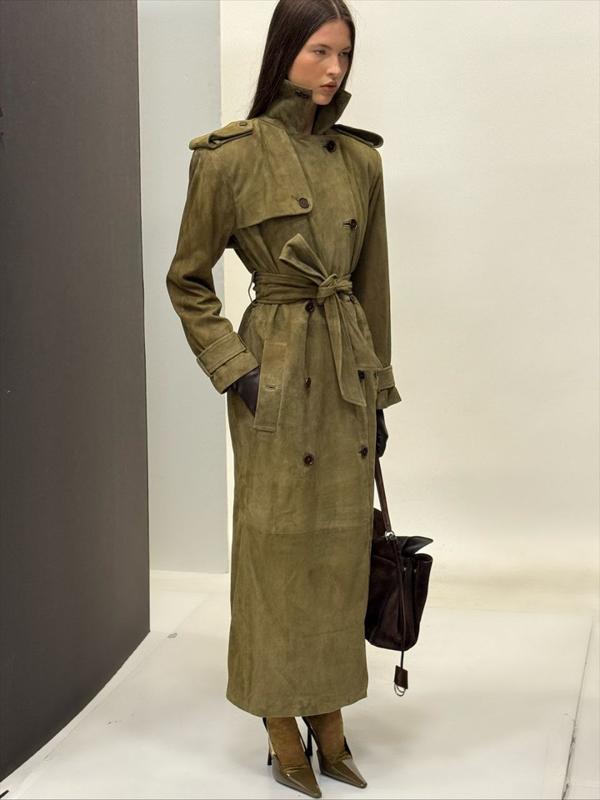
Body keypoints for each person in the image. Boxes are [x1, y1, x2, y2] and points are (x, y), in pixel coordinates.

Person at [166, 0, 402, 795]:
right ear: (285, 52)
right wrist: (237, 369)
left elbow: (371, 286)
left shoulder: (360, 161)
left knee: (338, 543)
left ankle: (328, 712)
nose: (334, 70)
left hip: (343, 370)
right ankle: (277, 717)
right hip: (272, 366)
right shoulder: (229, 157)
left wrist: (377, 394)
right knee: (273, 544)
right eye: (320, 52)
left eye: (345, 55)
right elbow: (188, 280)